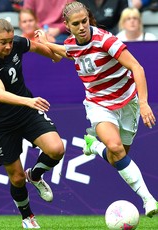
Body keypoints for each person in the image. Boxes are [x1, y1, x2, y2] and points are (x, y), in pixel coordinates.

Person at [36, 1, 158, 218]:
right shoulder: (72, 43)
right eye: (76, 24)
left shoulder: (106, 40)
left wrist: (143, 102)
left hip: (128, 102)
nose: (82, 26)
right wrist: (47, 43)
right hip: (99, 105)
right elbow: (67, 51)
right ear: (67, 25)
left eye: (84, 21)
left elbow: (136, 67)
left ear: (89, 19)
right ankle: (148, 199)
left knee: (116, 157)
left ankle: (93, 147)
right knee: (117, 148)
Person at [0, 19, 64, 228]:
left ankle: (36, 175)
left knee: (57, 149)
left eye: (11, 41)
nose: (9, 46)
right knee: (17, 178)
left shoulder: (17, 43)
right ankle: (27, 217)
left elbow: (41, 49)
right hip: (1, 122)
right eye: (3, 42)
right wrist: (29, 100)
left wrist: (52, 52)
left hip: (25, 113)